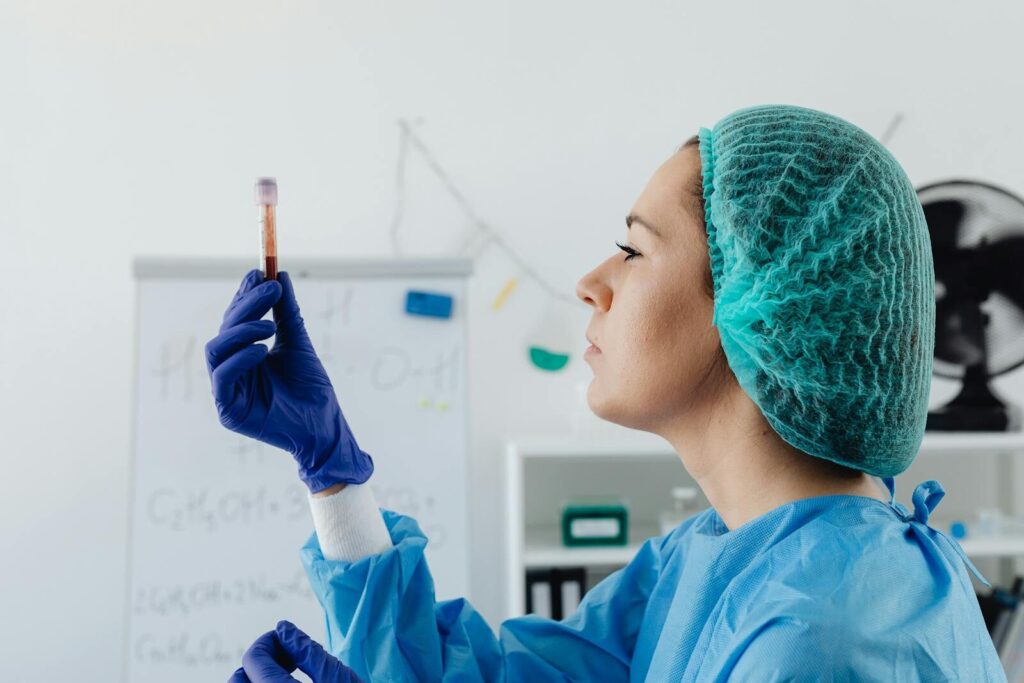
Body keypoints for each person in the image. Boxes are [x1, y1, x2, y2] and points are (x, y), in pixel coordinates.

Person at [207, 104, 1006, 682]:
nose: (591, 283)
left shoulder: (821, 644)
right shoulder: (709, 561)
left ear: (764, 300)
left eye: (632, 249)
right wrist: (332, 469)